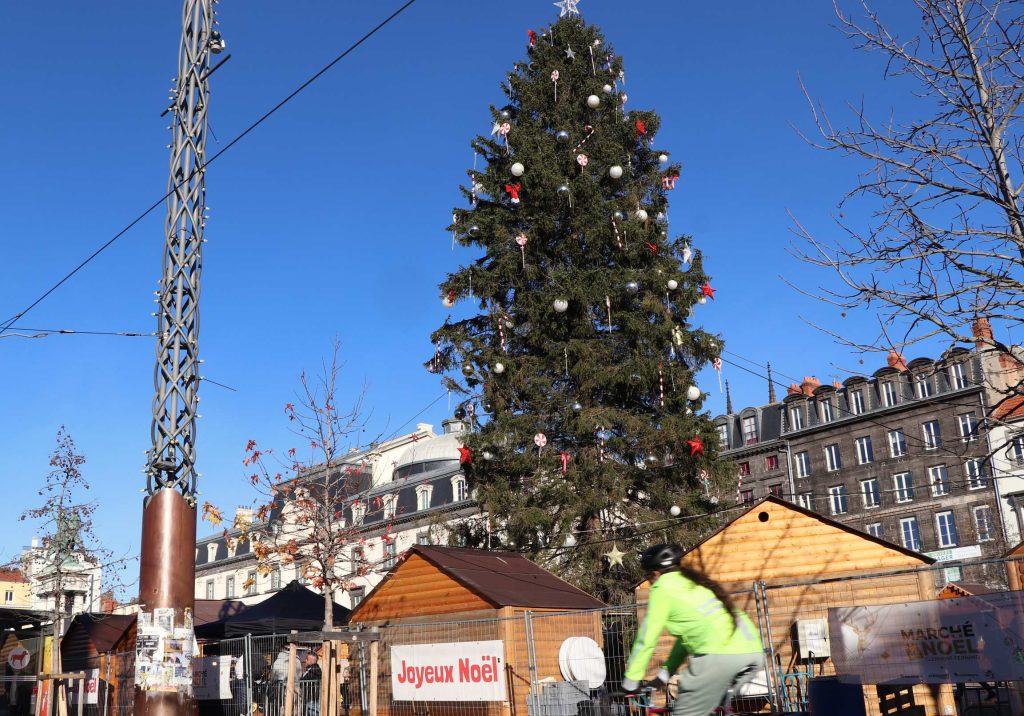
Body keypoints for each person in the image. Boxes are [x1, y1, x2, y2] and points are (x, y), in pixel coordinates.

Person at [622, 544, 765, 716]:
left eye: (647, 575)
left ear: (655, 572)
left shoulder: (663, 588)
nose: (649, 580)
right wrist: (664, 674)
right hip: (752, 651)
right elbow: (686, 638)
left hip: (718, 656)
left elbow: (646, 638)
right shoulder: (695, 585)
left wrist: (631, 681)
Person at [300, 651, 322, 716]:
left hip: (312, 698)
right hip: (312, 697)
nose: (305, 661)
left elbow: (303, 682)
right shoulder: (314, 669)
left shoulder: (313, 670)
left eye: (307, 659)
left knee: (313, 712)